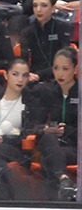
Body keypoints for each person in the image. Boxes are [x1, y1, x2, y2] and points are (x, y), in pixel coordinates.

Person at [32, 47, 79, 199]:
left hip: (74, 147)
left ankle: (61, 187)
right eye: (56, 68)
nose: (60, 73)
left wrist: (68, 130)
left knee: (49, 158)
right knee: (48, 140)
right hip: (53, 144)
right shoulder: (47, 91)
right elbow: (35, 124)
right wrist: (46, 129)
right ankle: (64, 181)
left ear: (75, 69)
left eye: (65, 68)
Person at [20, 0, 68, 82]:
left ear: (53, 8)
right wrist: (28, 74)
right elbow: (23, 61)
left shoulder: (62, 28)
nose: (38, 9)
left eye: (44, 5)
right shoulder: (27, 32)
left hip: (58, 77)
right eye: (35, 5)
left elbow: (65, 61)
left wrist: (40, 75)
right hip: (32, 78)